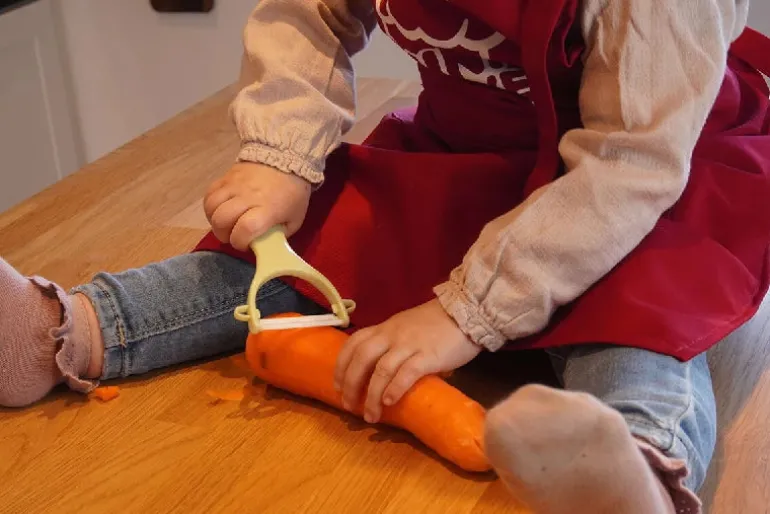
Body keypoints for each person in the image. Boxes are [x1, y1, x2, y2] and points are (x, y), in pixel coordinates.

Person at [2, 0, 769, 512]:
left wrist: (464, 313)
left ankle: (637, 471)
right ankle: (63, 330)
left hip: (633, 185)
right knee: (295, 247)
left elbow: (631, 163)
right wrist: (279, 154)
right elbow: (310, 16)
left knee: (637, 317)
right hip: (463, 158)